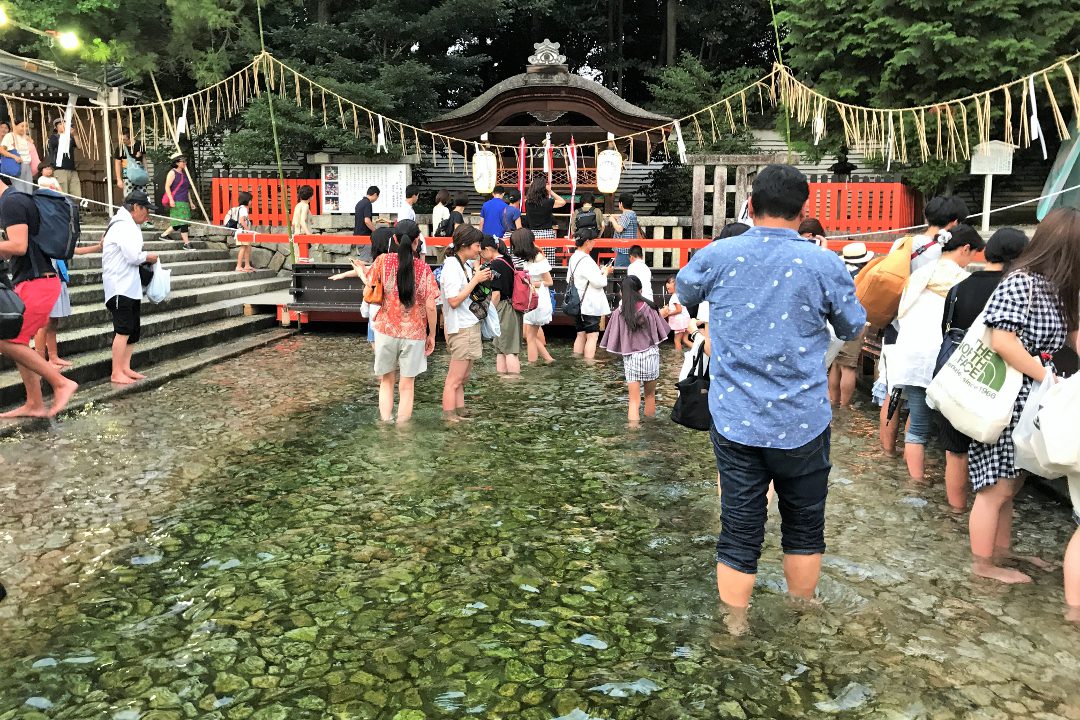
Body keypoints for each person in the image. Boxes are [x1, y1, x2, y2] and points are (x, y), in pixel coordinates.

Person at [676, 164, 866, 630]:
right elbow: (852, 324)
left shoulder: (720, 254)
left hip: (736, 416)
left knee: (739, 529)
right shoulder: (823, 261)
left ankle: (734, 627)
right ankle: (802, 615)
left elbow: (684, 289)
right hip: (802, 417)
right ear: (804, 211)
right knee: (804, 525)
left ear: (750, 205)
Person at [968, 208, 1078, 585]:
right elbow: (1001, 338)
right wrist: (1046, 375)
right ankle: (982, 566)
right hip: (1009, 397)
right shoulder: (1023, 282)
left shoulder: (1057, 287)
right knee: (994, 487)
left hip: (1032, 399)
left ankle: (999, 552)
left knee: (1011, 485)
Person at [937, 227, 1029, 512]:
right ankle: (991, 515)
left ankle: (957, 511)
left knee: (956, 452)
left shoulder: (958, 288)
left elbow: (945, 331)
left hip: (958, 374)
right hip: (996, 384)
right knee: (996, 460)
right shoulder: (1016, 289)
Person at [886, 224, 985, 484]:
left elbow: (902, 314)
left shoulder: (921, 273)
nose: (971, 260)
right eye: (973, 254)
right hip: (942, 360)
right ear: (965, 249)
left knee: (918, 422)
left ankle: (915, 481)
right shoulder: (962, 280)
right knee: (950, 431)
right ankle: (937, 482)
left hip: (912, 356)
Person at [0, 176, 80, 417]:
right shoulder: (14, 201)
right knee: (18, 341)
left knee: (7, 340)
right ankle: (34, 403)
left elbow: (18, 246)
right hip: (33, 281)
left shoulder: (10, 203)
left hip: (38, 283)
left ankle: (61, 383)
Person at [366, 220, 439, 424]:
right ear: (417, 241)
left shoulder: (382, 261)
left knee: (387, 381)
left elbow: (371, 285)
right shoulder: (424, 269)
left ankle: (385, 422)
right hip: (414, 333)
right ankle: (402, 430)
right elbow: (431, 306)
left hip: (385, 330)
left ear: (395, 239)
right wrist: (431, 334)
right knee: (407, 385)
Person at [103, 191, 160, 385]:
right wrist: (149, 257)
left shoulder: (129, 224)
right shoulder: (122, 226)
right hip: (119, 285)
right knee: (123, 329)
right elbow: (132, 256)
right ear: (136, 207)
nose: (148, 215)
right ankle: (116, 371)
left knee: (133, 329)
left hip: (130, 285)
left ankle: (125, 367)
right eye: (146, 210)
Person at [601, 275, 670, 427]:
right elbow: (662, 331)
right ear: (640, 290)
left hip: (631, 357)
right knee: (650, 396)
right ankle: (650, 428)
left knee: (633, 400)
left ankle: (633, 432)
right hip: (650, 355)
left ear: (622, 292)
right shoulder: (650, 307)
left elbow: (613, 338)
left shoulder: (619, 312)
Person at [440, 225, 492, 421]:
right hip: (461, 327)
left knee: (463, 378)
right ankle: (449, 416)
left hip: (467, 325)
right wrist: (475, 279)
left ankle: (460, 411)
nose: (479, 249)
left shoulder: (463, 265)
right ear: (464, 245)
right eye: (477, 245)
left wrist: (478, 278)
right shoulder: (452, 266)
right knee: (454, 379)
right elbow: (453, 301)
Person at [34, 240, 103, 368]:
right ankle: (40, 361)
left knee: (54, 321)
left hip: (58, 280)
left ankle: (53, 357)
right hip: (45, 281)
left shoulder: (58, 241)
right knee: (43, 323)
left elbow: (77, 251)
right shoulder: (42, 238)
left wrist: (99, 246)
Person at [828, 243, 874, 407]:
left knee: (834, 363)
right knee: (848, 366)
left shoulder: (838, 272)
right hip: (855, 321)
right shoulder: (863, 275)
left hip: (834, 321)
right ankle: (844, 405)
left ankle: (832, 401)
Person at [512, 228, 555, 364]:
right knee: (530, 335)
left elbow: (549, 282)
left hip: (538, 299)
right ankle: (548, 359)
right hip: (532, 298)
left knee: (530, 336)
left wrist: (529, 282)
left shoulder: (538, 258)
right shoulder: (530, 257)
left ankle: (532, 364)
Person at [481, 235, 522, 375]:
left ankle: (512, 382)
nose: (481, 255)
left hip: (504, 307)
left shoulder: (496, 265)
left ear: (487, 249)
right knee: (501, 347)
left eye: (481, 252)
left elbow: (496, 294)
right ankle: (504, 379)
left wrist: (487, 313)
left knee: (508, 349)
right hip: (510, 306)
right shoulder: (506, 260)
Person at [568, 227, 612, 359]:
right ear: (587, 242)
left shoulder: (574, 257)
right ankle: (588, 365)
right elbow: (599, 282)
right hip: (590, 304)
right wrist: (605, 272)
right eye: (593, 241)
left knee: (580, 334)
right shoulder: (587, 260)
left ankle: (577, 362)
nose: (594, 243)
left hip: (577, 302)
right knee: (592, 336)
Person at [524, 175, 566, 264]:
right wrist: (550, 191)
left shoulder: (528, 202)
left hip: (533, 234)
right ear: (544, 188)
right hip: (547, 234)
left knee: (534, 259)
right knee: (548, 261)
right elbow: (563, 202)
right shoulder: (548, 202)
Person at [160, 154, 193, 250]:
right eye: (183, 161)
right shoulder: (172, 173)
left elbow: (187, 190)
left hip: (184, 201)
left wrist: (191, 202)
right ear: (177, 162)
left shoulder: (184, 174)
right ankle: (186, 243)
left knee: (179, 222)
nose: (185, 163)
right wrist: (170, 199)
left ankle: (164, 234)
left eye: (185, 161)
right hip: (176, 200)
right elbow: (167, 186)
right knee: (183, 222)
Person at [46, 118, 81, 198]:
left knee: (76, 195)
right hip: (60, 169)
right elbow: (57, 145)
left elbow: (79, 146)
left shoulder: (70, 138)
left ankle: (73, 209)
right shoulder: (54, 137)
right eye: (61, 124)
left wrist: (75, 135)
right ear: (56, 127)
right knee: (62, 194)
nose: (64, 125)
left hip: (72, 169)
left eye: (65, 124)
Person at [1, 118, 37, 194]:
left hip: (27, 165)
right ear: (15, 126)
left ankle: (27, 204)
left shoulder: (25, 137)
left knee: (29, 189)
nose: (25, 128)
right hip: (17, 165)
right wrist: (14, 156)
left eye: (26, 126)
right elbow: (2, 150)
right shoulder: (10, 136)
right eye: (22, 126)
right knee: (20, 189)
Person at [607, 192, 640, 267]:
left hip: (623, 249)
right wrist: (618, 218)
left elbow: (619, 229)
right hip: (630, 248)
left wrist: (612, 220)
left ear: (621, 204)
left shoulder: (626, 214)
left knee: (619, 271)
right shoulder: (632, 214)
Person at [659, 276, 690, 350]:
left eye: (669, 285)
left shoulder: (674, 297)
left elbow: (679, 310)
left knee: (677, 340)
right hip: (685, 320)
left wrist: (668, 313)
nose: (667, 288)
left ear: (675, 284)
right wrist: (668, 308)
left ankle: (678, 357)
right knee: (685, 340)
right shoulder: (678, 295)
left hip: (680, 322)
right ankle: (698, 351)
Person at [113, 129, 146, 196]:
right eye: (121, 139)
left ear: (130, 138)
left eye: (124, 139)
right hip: (128, 176)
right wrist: (119, 179)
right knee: (129, 197)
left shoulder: (139, 145)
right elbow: (117, 163)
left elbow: (144, 159)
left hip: (140, 175)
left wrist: (146, 172)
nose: (123, 141)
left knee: (142, 197)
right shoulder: (120, 148)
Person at [229, 191, 256, 272]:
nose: (251, 202)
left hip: (242, 232)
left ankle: (247, 265)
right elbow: (241, 221)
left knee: (247, 247)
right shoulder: (243, 209)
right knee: (243, 248)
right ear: (246, 200)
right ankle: (238, 266)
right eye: (250, 200)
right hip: (243, 232)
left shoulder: (240, 208)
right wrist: (248, 230)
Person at [500, 190, 524, 267]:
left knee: (508, 260)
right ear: (519, 200)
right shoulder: (516, 211)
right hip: (514, 237)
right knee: (517, 262)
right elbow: (519, 228)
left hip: (505, 236)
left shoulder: (504, 209)